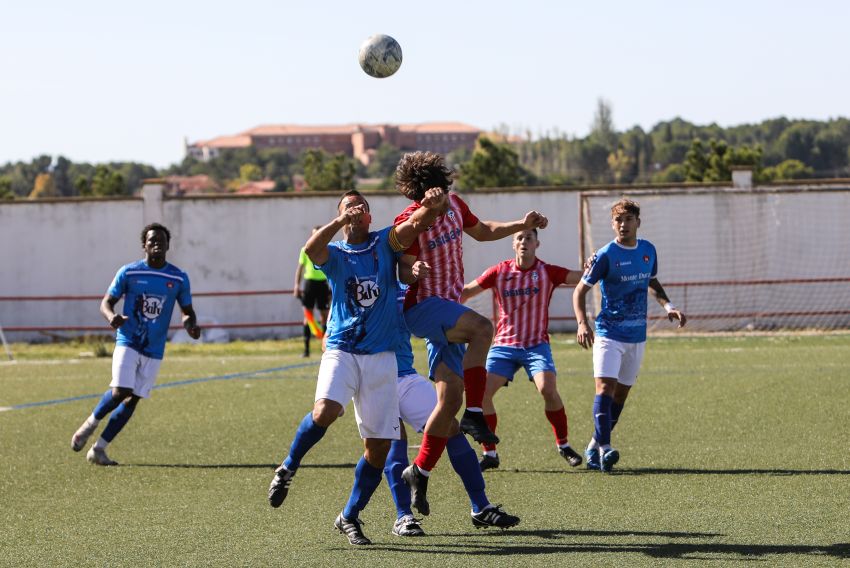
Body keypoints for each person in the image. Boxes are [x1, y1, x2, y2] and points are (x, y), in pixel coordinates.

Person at [267, 188, 448, 546]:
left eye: (361, 208)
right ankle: (288, 467)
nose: (356, 212)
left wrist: (431, 204)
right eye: (349, 208)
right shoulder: (334, 255)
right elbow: (309, 250)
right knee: (326, 411)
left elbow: (415, 223)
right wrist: (338, 220)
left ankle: (349, 516)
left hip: (381, 358)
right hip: (341, 349)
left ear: (369, 217)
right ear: (341, 216)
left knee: (378, 449)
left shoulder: (384, 242)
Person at [393, 150, 548, 517]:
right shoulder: (410, 217)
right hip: (423, 309)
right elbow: (401, 259)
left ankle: (420, 471)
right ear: (420, 191)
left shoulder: (456, 205)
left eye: (444, 188)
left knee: (448, 404)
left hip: (448, 314)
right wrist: (412, 267)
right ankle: (477, 413)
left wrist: (519, 223)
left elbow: (482, 231)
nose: (442, 194)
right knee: (483, 328)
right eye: (433, 191)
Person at [385, 284, 520, 536]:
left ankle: (481, 506)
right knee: (390, 441)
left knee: (451, 427)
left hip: (405, 376)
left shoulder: (411, 287)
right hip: (371, 377)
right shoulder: (360, 278)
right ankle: (402, 516)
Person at [70, 223, 201, 465]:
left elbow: (187, 311)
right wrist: (112, 318)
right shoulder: (129, 273)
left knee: (133, 399)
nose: (157, 244)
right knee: (121, 391)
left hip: (154, 348)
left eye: (161, 240)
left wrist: (190, 325)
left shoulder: (178, 277)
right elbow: (106, 303)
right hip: (128, 340)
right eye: (152, 240)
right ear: (144, 245)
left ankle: (99, 449)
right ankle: (89, 425)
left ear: (168, 245)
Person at [572, 198, 687, 472]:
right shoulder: (605, 255)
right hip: (608, 334)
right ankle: (606, 448)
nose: (623, 225)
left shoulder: (648, 250)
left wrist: (669, 306)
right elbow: (579, 291)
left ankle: (593, 446)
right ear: (613, 224)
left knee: (620, 397)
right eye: (618, 220)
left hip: (637, 336)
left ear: (638, 222)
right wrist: (581, 323)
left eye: (628, 219)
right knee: (604, 389)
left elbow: (651, 280)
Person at [460, 228, 584, 471]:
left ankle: (563, 445)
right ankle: (490, 453)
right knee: (482, 394)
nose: (524, 241)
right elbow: (465, 292)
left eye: (529, 237)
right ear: (513, 244)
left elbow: (579, 277)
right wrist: (439, 295)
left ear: (537, 243)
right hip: (504, 346)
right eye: (519, 237)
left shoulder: (547, 272)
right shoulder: (499, 271)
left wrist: (596, 267)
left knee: (548, 390)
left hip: (536, 345)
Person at [294, 226, 331, 358]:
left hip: (322, 284)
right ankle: (306, 350)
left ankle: (326, 347)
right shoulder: (305, 250)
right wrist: (297, 285)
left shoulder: (327, 249)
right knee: (308, 317)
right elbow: (300, 268)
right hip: (309, 283)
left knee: (324, 316)